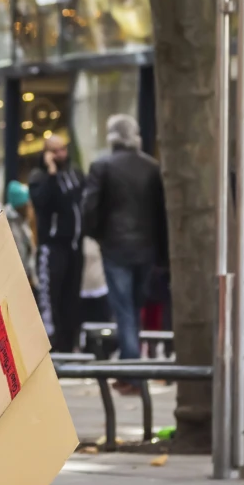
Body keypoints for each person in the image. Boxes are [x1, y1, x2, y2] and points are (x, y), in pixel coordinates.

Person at [82, 114, 167, 383]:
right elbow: (161, 212)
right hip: (145, 248)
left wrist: (98, 235)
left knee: (124, 308)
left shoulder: (102, 166)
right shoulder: (152, 168)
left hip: (116, 247)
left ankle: (131, 369)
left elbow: (89, 208)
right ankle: (131, 361)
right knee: (134, 305)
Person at [29, 134, 85, 353]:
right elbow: (41, 202)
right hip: (53, 248)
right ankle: (53, 345)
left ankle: (70, 345)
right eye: (56, 150)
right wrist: (51, 172)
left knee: (71, 298)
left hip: (75, 247)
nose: (62, 154)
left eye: (63, 149)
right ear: (47, 153)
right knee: (51, 298)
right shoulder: (40, 177)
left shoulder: (74, 173)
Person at [5, 180, 37, 291]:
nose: (30, 207)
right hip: (19, 284)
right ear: (21, 206)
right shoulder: (12, 228)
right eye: (27, 204)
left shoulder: (22, 222)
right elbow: (20, 258)